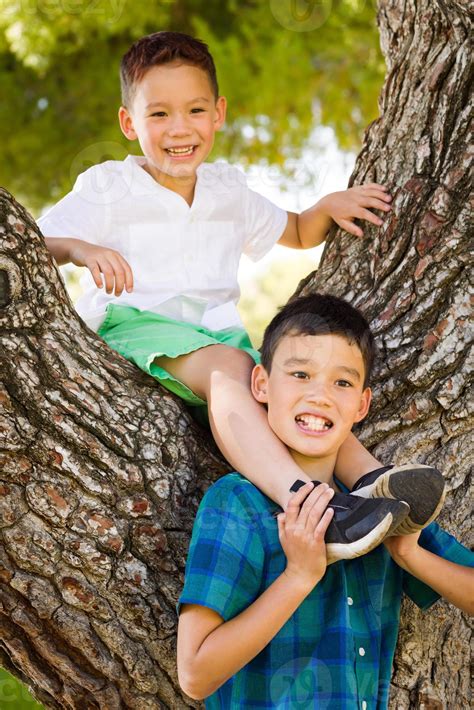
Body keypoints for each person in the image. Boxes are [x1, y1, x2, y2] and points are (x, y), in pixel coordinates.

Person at [39, 31, 444, 559]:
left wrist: (326, 205)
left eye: (195, 110)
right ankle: (303, 498)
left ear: (219, 113)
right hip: (139, 323)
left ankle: (374, 481)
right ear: (128, 123)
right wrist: (83, 249)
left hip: (216, 332)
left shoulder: (227, 189)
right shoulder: (109, 187)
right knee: (232, 368)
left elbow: (296, 231)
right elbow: (33, 242)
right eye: (158, 114)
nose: (179, 129)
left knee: (285, 383)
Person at [176, 293, 474, 708]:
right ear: (261, 384)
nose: (320, 396)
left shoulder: (377, 506)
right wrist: (298, 577)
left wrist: (410, 555)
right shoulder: (238, 504)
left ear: (361, 405)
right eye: (300, 374)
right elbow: (194, 674)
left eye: (342, 382)